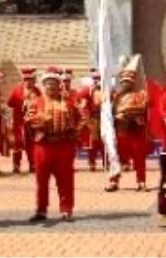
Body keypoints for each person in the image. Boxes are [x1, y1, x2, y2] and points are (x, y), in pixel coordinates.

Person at [25, 66, 82, 222]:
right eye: (47, 83)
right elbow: (28, 120)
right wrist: (41, 120)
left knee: (65, 179)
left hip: (63, 145)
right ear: (44, 85)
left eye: (53, 83)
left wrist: (74, 133)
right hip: (43, 145)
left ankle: (66, 209)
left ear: (59, 85)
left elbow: (82, 119)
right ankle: (41, 210)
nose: (50, 86)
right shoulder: (36, 102)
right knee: (41, 180)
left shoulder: (69, 102)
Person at [106, 68, 150, 192]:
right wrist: (116, 116)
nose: (126, 83)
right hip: (120, 129)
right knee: (115, 156)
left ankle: (141, 181)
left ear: (133, 82)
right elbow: (108, 113)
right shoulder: (115, 96)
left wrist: (127, 113)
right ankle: (114, 181)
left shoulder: (140, 94)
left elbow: (142, 107)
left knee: (139, 157)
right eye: (124, 81)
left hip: (136, 129)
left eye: (129, 81)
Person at [8, 67, 40, 175]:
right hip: (19, 123)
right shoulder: (17, 90)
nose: (31, 81)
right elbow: (10, 103)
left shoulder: (37, 91)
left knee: (32, 145)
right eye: (28, 79)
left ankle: (33, 165)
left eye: (32, 79)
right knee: (18, 144)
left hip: (32, 123)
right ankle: (16, 166)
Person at [77, 70, 105, 171]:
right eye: (95, 79)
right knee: (93, 141)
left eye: (99, 78)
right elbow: (83, 105)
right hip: (93, 118)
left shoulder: (106, 89)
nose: (97, 81)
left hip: (104, 117)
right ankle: (92, 162)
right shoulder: (87, 90)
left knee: (104, 140)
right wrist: (86, 119)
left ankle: (106, 162)